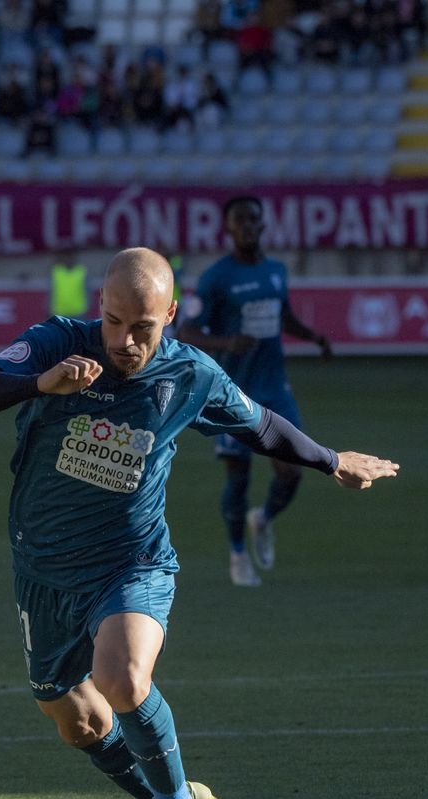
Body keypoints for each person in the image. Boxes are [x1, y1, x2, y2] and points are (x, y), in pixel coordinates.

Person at [0, 248, 398, 799]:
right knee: (77, 723)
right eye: (112, 322)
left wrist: (330, 460)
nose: (125, 341)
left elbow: (260, 424)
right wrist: (39, 384)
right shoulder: (55, 343)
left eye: (143, 327)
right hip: (43, 568)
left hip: (131, 561)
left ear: (172, 316)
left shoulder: (191, 374)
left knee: (123, 679)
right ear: (97, 307)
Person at [177, 196, 334, 587]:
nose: (247, 226)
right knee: (238, 476)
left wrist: (313, 336)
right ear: (228, 229)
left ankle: (262, 519)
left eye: (253, 219)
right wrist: (228, 343)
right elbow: (187, 331)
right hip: (231, 390)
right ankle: (237, 555)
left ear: (263, 225)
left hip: (275, 388)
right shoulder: (217, 277)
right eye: (239, 221)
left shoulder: (276, 271)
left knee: (292, 470)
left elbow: (284, 317)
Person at [49, 250, 88, 318]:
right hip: (59, 311)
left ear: (75, 259)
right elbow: (51, 291)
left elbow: (88, 290)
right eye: (66, 258)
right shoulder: (56, 271)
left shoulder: (81, 271)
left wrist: (87, 308)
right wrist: (49, 308)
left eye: (70, 258)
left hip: (78, 311)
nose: (68, 260)